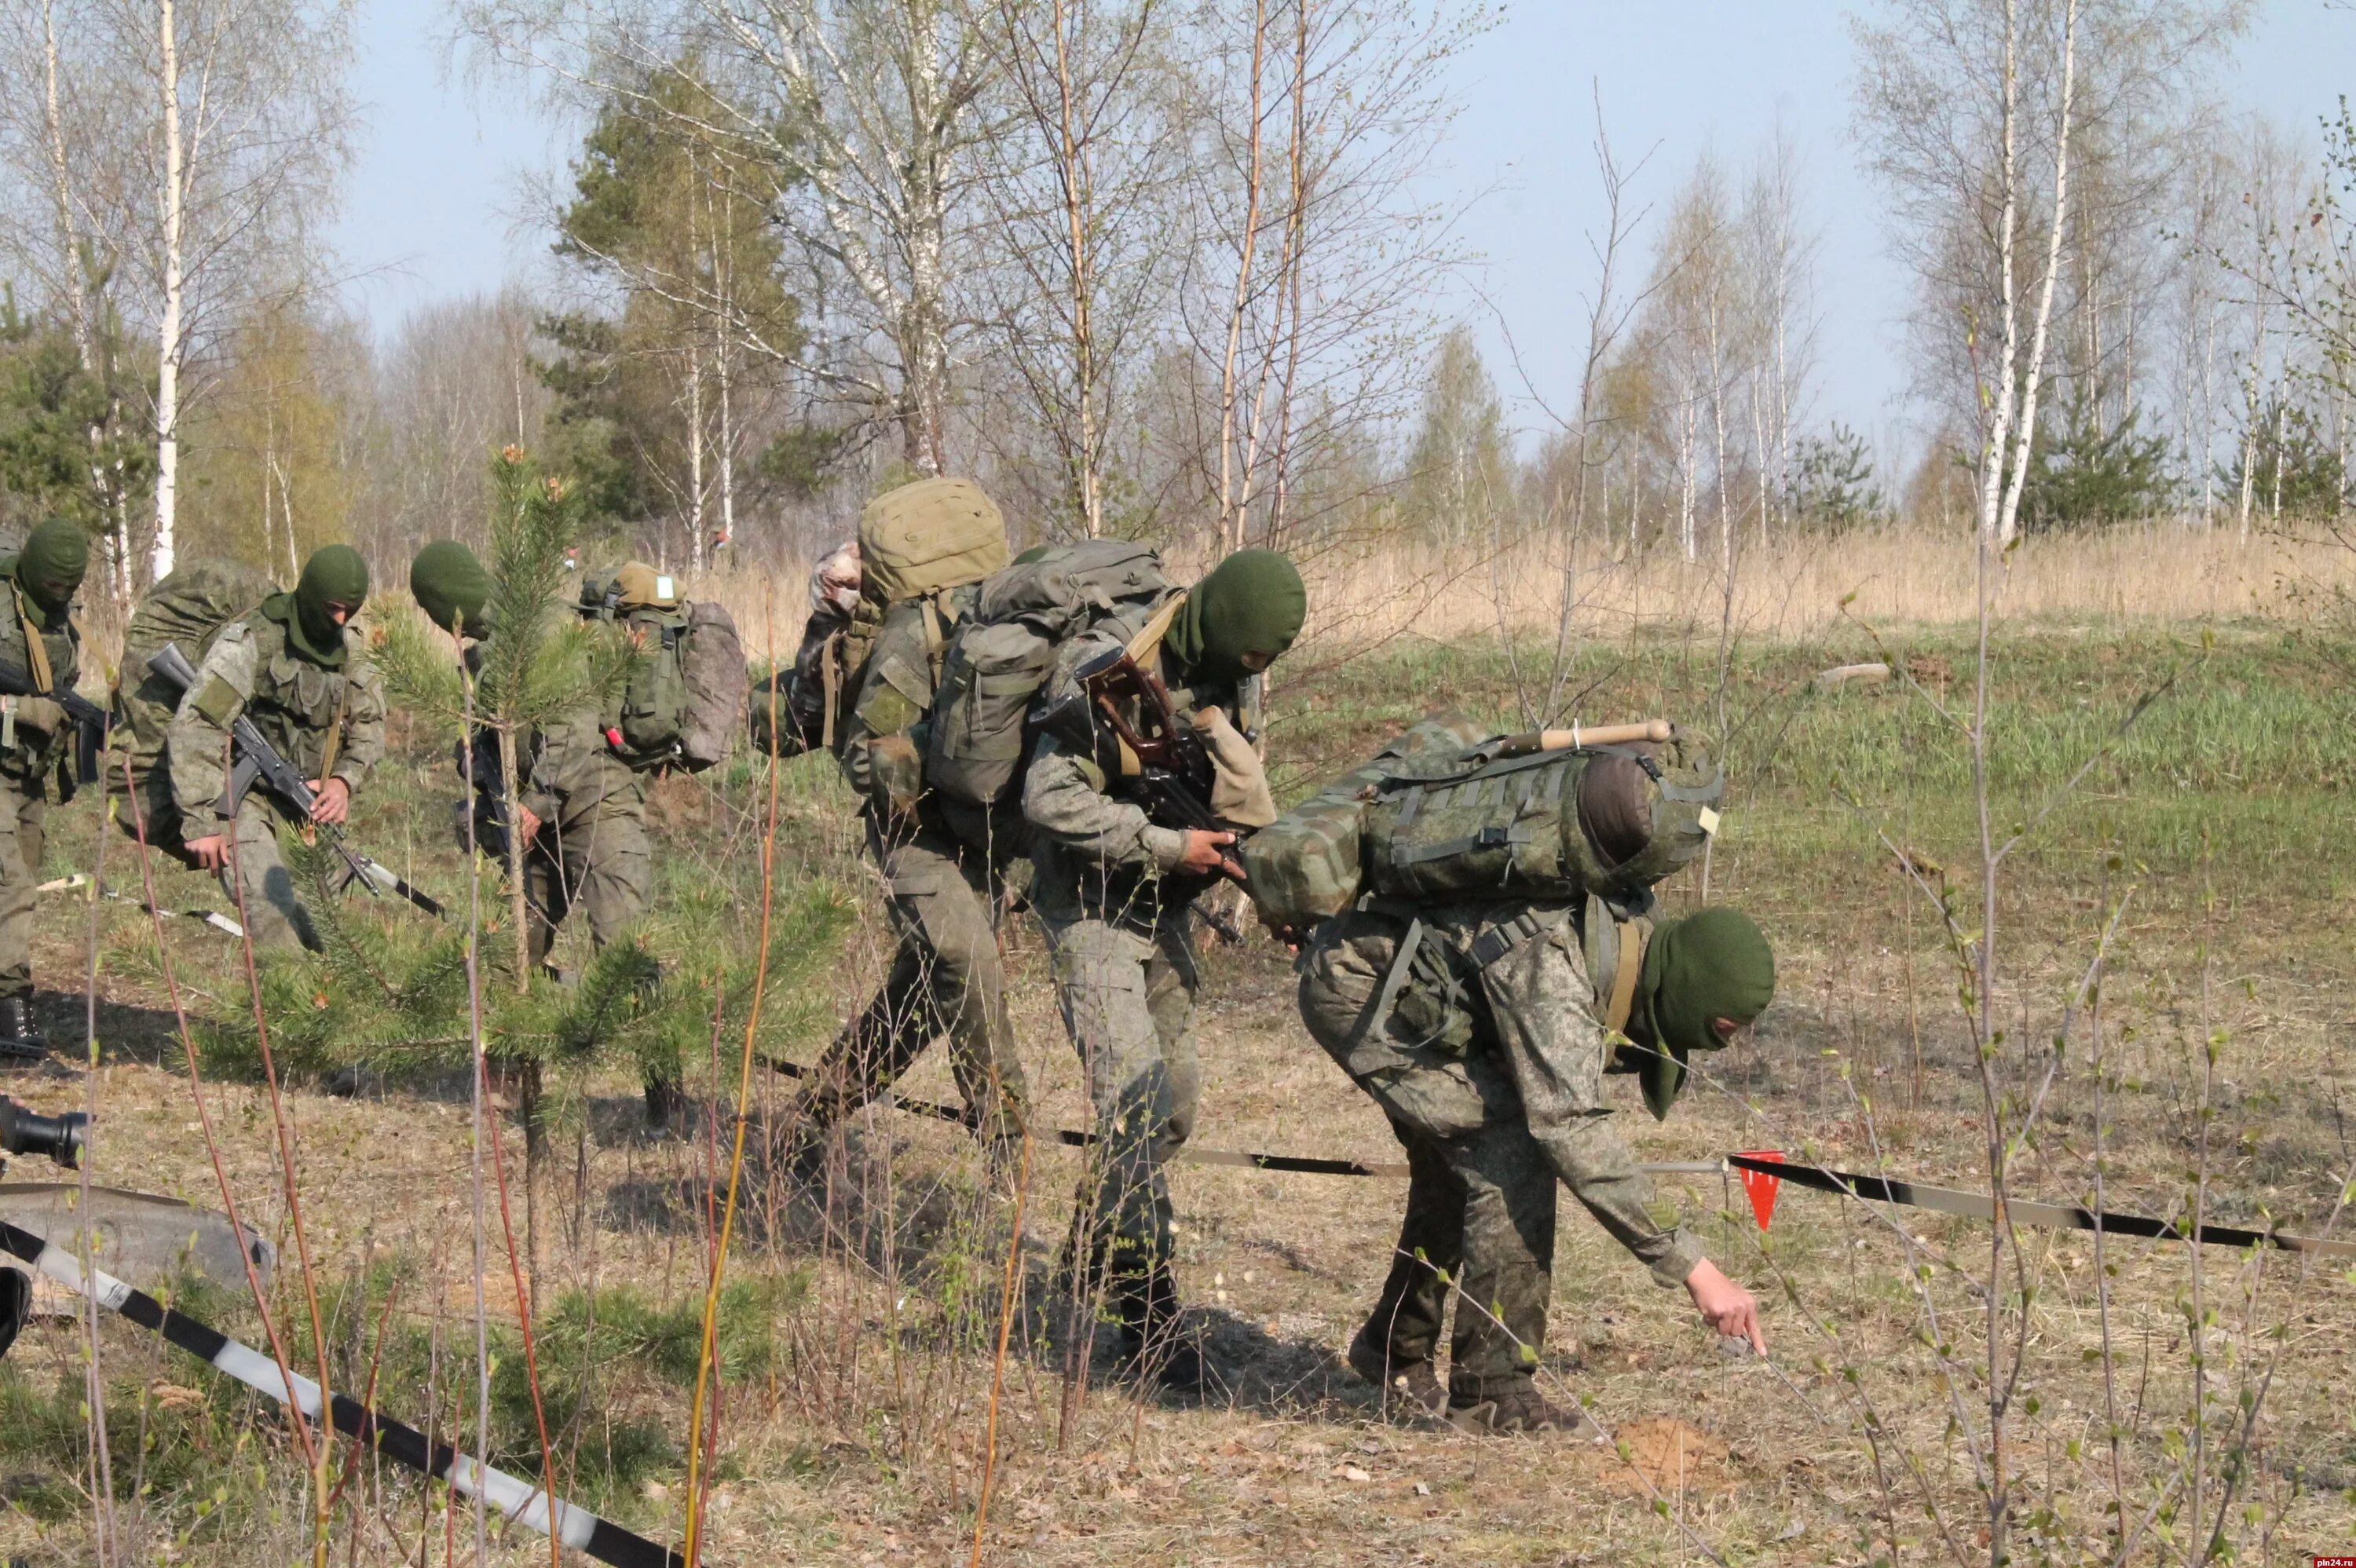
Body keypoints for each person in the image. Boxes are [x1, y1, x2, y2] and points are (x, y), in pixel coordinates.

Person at [1297, 893, 1775, 1432]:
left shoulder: (1630, 942)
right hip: (1362, 991)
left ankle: (1393, 1346)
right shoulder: (1558, 970)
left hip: (1403, 989)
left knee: (1462, 1160)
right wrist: (1696, 1268)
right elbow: (1568, 1127)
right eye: (1721, 1030)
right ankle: (1494, 1392)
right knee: (1513, 1152)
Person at [1023, 547, 1306, 1391]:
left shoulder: (1227, 673)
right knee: (1137, 1103)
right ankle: (1147, 1322)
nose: (1243, 678)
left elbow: (1219, 785)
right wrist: (1166, 843)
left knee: (1174, 1103)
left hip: (1168, 909)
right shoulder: (1109, 667)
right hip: (1091, 906)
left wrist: (1253, 874)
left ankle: (1090, 1248)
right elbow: (1049, 799)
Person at [778, 485, 1031, 1171]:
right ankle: (1009, 1151)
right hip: (913, 832)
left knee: (919, 1001)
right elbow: (871, 765)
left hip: (981, 831)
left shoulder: (1010, 620)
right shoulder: (905, 636)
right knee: (964, 964)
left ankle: (803, 1125)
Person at [413, 543, 681, 1128]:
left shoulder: (539, 630)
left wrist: (536, 802)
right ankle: (510, 1088)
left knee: (624, 946)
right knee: (516, 943)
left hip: (597, 798)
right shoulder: (488, 652)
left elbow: (576, 725)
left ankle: (668, 1100)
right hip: (535, 809)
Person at [159, 544, 386, 952]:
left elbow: (370, 724)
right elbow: (196, 725)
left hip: (306, 803)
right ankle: (284, 1009)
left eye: (349, 612)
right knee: (272, 912)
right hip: (243, 797)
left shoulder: (351, 648)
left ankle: (317, 1010)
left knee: (327, 927)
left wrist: (343, 781)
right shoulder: (254, 641)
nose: (340, 620)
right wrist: (201, 823)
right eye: (333, 608)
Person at [0, 521, 90, 1057]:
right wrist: (20, 711)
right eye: (53, 585)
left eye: (68, 587)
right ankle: (12, 1010)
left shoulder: (59, 624)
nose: (60, 595)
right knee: (11, 882)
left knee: (21, 881)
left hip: (26, 773)